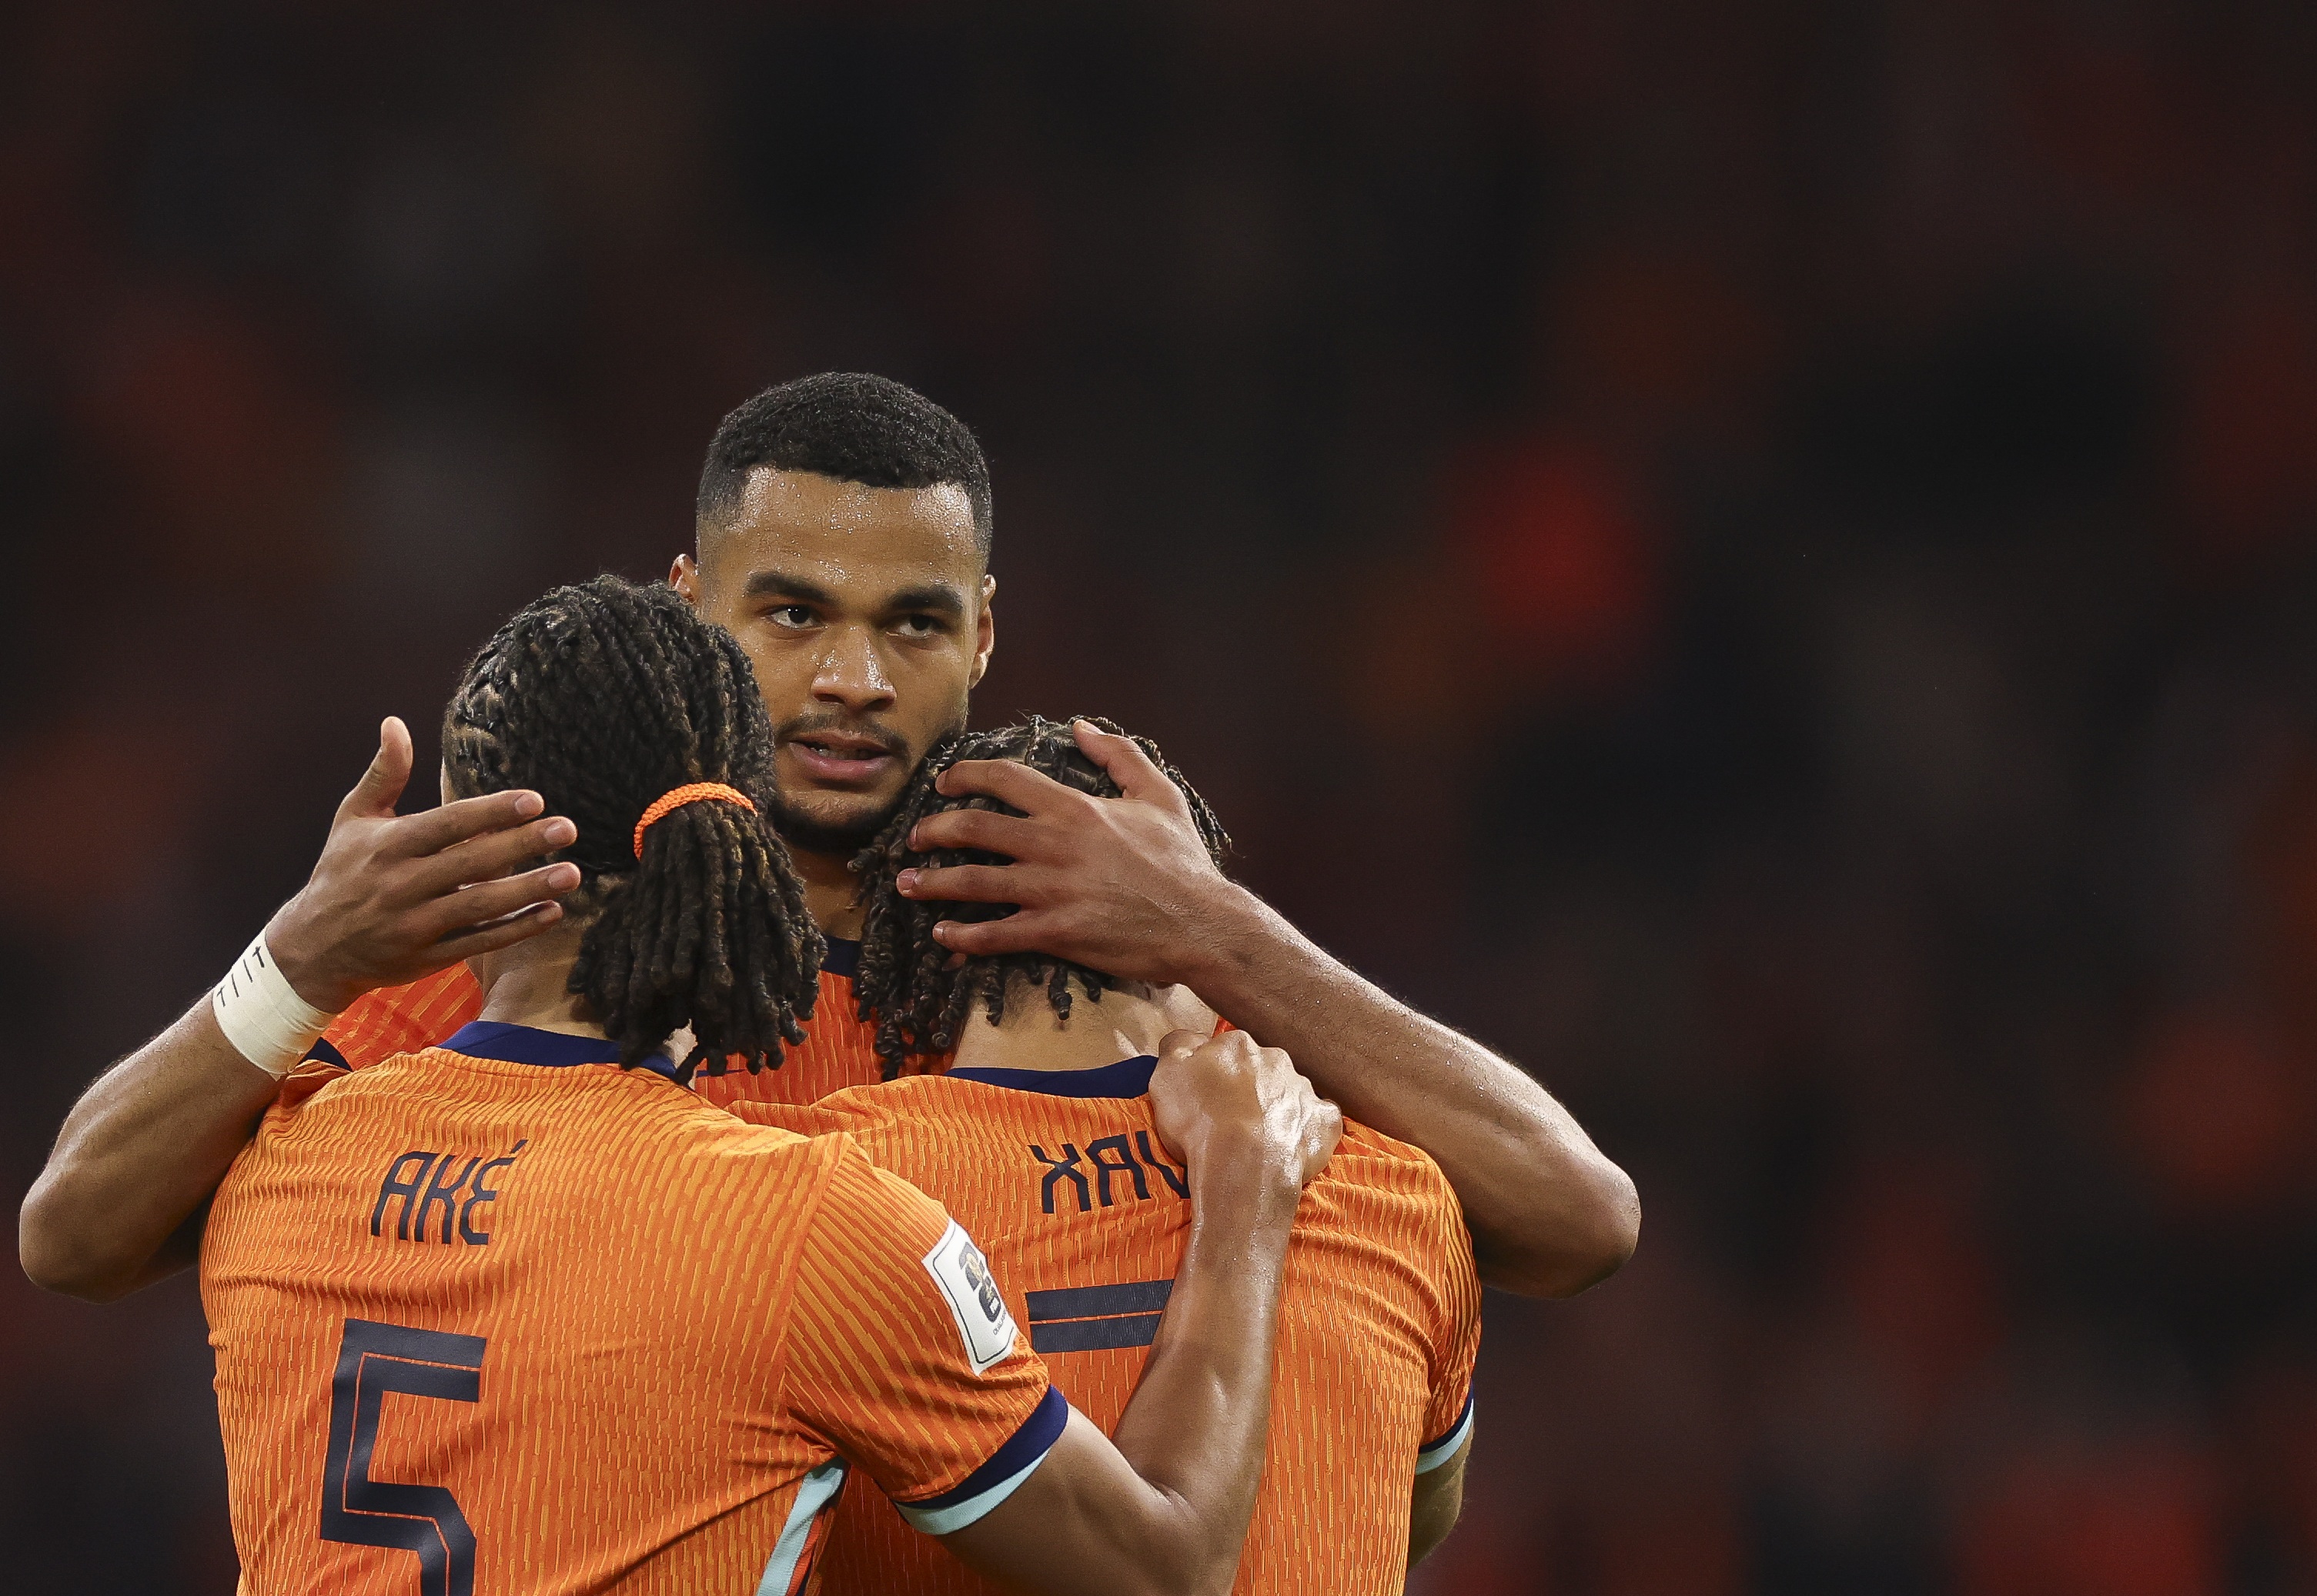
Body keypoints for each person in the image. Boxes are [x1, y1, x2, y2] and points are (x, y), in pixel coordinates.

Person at [22, 372, 1637, 1307]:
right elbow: (75, 1237)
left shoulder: (1079, 959)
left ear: (988, 636)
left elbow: (1578, 1213)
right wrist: (289, 967)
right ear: (689, 605)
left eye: (913, 623)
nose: (854, 679)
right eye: (790, 613)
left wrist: (1221, 934)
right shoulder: (535, 947)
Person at [206, 578, 1343, 1596]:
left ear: (461, 838)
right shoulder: (814, 1224)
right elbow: (1162, 1594)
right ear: (739, 836)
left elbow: (65, 1232)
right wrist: (1242, 1196)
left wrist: (297, 961)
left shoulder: (276, 1156)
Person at [733, 718, 1478, 1596]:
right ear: (1189, 935)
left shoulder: (814, 1196)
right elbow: (1408, 1525)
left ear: (921, 951)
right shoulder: (1396, 1195)